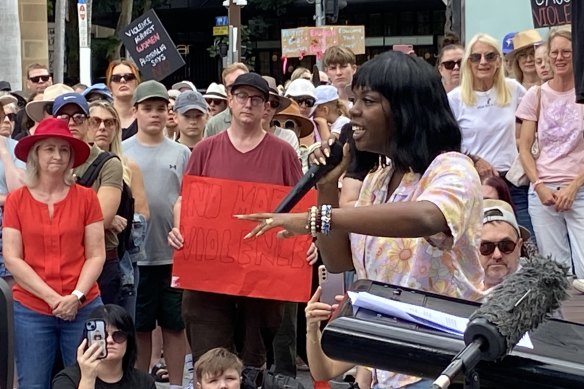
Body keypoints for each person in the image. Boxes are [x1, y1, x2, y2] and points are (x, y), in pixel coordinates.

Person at [238, 51, 485, 388]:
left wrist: (323, 216)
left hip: (442, 366)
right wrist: (326, 188)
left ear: (406, 109)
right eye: (353, 99)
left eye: (367, 100)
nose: (352, 110)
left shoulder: (452, 168)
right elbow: (339, 260)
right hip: (388, 363)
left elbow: (428, 216)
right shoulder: (377, 180)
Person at [168, 73, 303, 382]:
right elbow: (185, 202)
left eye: (256, 99)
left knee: (253, 365)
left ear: (266, 107)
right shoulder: (205, 150)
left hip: (262, 276)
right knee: (211, 365)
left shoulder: (284, 154)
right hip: (208, 275)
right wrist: (180, 230)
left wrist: (305, 243)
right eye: (241, 96)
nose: (248, 104)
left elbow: (300, 209)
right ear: (230, 101)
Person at [3, 118, 105, 388]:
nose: (57, 155)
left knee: (89, 380)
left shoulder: (86, 198)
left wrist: (75, 297)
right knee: (33, 382)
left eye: (64, 149)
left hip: (84, 305)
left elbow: (96, 254)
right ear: (35, 153)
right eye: (49, 148)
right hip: (31, 309)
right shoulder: (16, 200)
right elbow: (12, 257)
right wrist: (52, 298)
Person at [122, 80, 190, 389]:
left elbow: (187, 198)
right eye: (147, 108)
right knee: (140, 326)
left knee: (175, 324)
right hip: (137, 256)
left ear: (169, 113)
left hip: (173, 254)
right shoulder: (122, 152)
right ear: (135, 111)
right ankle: (142, 382)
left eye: (160, 109)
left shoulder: (182, 152)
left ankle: (175, 383)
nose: (154, 115)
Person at [516, 26, 584, 288]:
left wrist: (574, 186)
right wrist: (539, 185)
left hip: (578, 189)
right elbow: (524, 147)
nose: (559, 57)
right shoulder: (537, 94)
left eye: (565, 51)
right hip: (543, 191)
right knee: (555, 275)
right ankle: (563, 329)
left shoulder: (581, 94)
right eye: (554, 52)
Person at [447, 33, 532, 236]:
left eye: (490, 56)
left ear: (499, 60)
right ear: (468, 62)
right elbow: (446, 147)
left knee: (527, 242)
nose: (483, 62)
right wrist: (474, 160)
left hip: (513, 182)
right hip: (475, 184)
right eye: (476, 57)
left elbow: (535, 124)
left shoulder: (514, 90)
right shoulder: (455, 99)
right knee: (479, 244)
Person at [52, 93, 125, 306]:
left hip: (100, 261)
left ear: (87, 122)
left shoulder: (108, 163)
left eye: (78, 117)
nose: (72, 122)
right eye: (63, 117)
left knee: (100, 332)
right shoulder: (45, 160)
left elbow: (101, 219)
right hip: (56, 261)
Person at [87, 100, 150, 318]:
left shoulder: (128, 165)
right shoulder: (73, 163)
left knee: (121, 324)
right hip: (85, 253)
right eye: (96, 121)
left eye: (109, 122)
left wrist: (122, 219)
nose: (102, 127)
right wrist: (105, 216)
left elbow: (143, 213)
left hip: (122, 254)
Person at [53, 304, 156, 388]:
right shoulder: (66, 380)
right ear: (88, 340)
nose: (110, 340)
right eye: (101, 336)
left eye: (118, 335)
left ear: (129, 340)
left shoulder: (144, 382)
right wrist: (87, 379)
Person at [480, 199, 528, 290]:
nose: (497, 255)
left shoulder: (539, 291)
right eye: (486, 247)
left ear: (519, 246)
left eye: (506, 246)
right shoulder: (454, 290)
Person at [204, 63, 249, 138]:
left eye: (241, 84)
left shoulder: (259, 119)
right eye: (231, 86)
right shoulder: (214, 124)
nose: (237, 89)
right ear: (226, 91)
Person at [106, 59, 142, 140]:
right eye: (116, 78)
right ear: (109, 85)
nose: (123, 80)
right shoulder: (102, 118)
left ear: (137, 82)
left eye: (129, 77)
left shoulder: (145, 116)